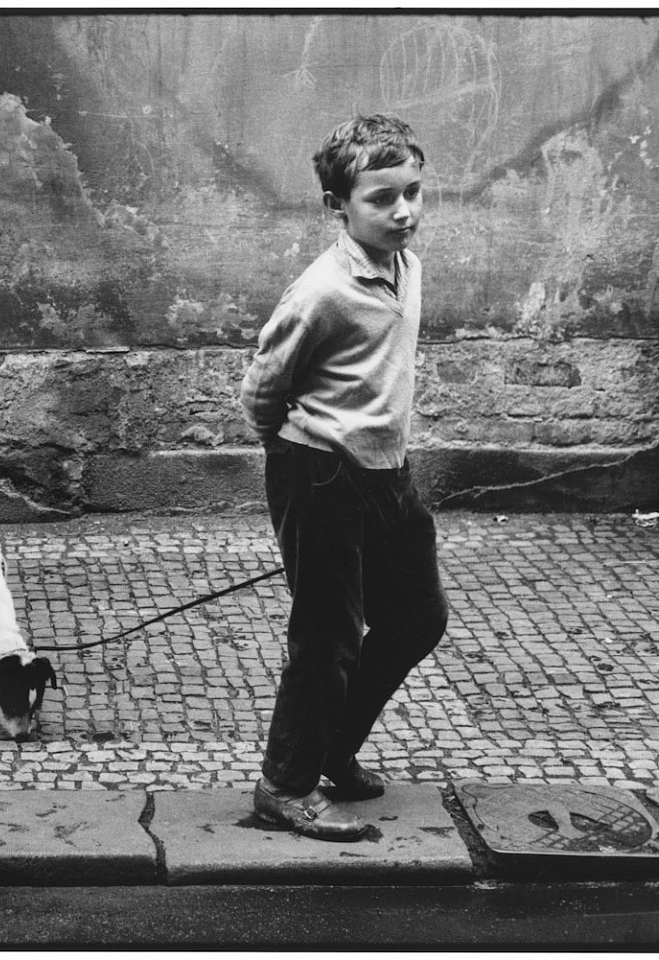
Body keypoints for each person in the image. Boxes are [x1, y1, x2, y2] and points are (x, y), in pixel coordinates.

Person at [239, 115, 449, 841]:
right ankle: (284, 787)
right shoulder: (321, 292)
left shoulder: (407, 266)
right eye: (382, 198)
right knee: (328, 637)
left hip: (389, 473)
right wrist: (294, 448)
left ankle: (333, 746)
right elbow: (261, 390)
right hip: (320, 473)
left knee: (419, 616)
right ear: (339, 205)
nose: (404, 212)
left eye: (414, 193)